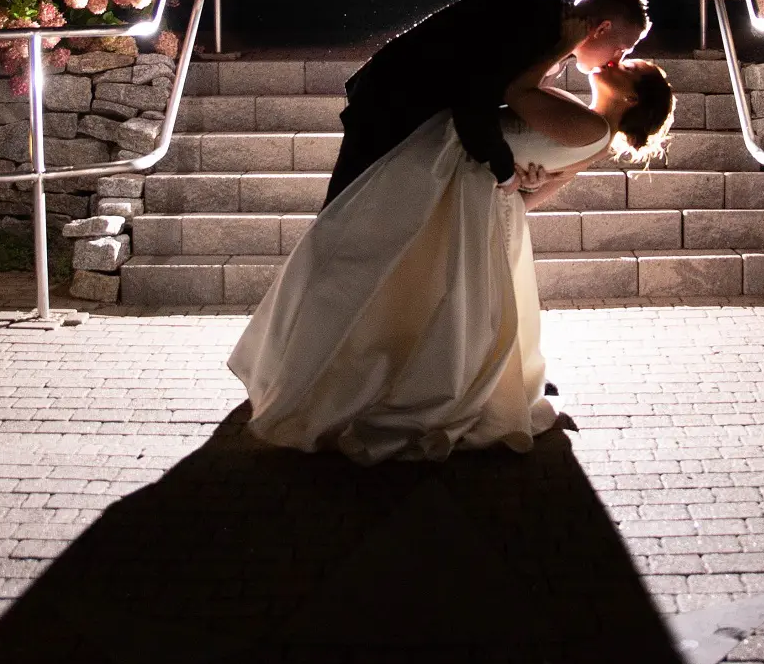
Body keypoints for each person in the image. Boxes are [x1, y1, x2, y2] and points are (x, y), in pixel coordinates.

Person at [229, 55, 675, 465]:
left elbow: (513, 94)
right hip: (482, 200)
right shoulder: (594, 135)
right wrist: (520, 177)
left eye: (628, 65)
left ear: (631, 96)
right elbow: (533, 196)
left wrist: (551, 53)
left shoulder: (592, 129)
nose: (616, 59)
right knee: (442, 306)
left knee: (400, 290)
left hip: (462, 183)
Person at [320, 0, 651, 207]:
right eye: (621, 48)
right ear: (602, 28)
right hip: (393, 104)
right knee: (343, 216)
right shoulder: (538, 27)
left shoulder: (553, 38)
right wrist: (505, 172)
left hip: (415, 116)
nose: (616, 59)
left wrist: (528, 176)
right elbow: (474, 96)